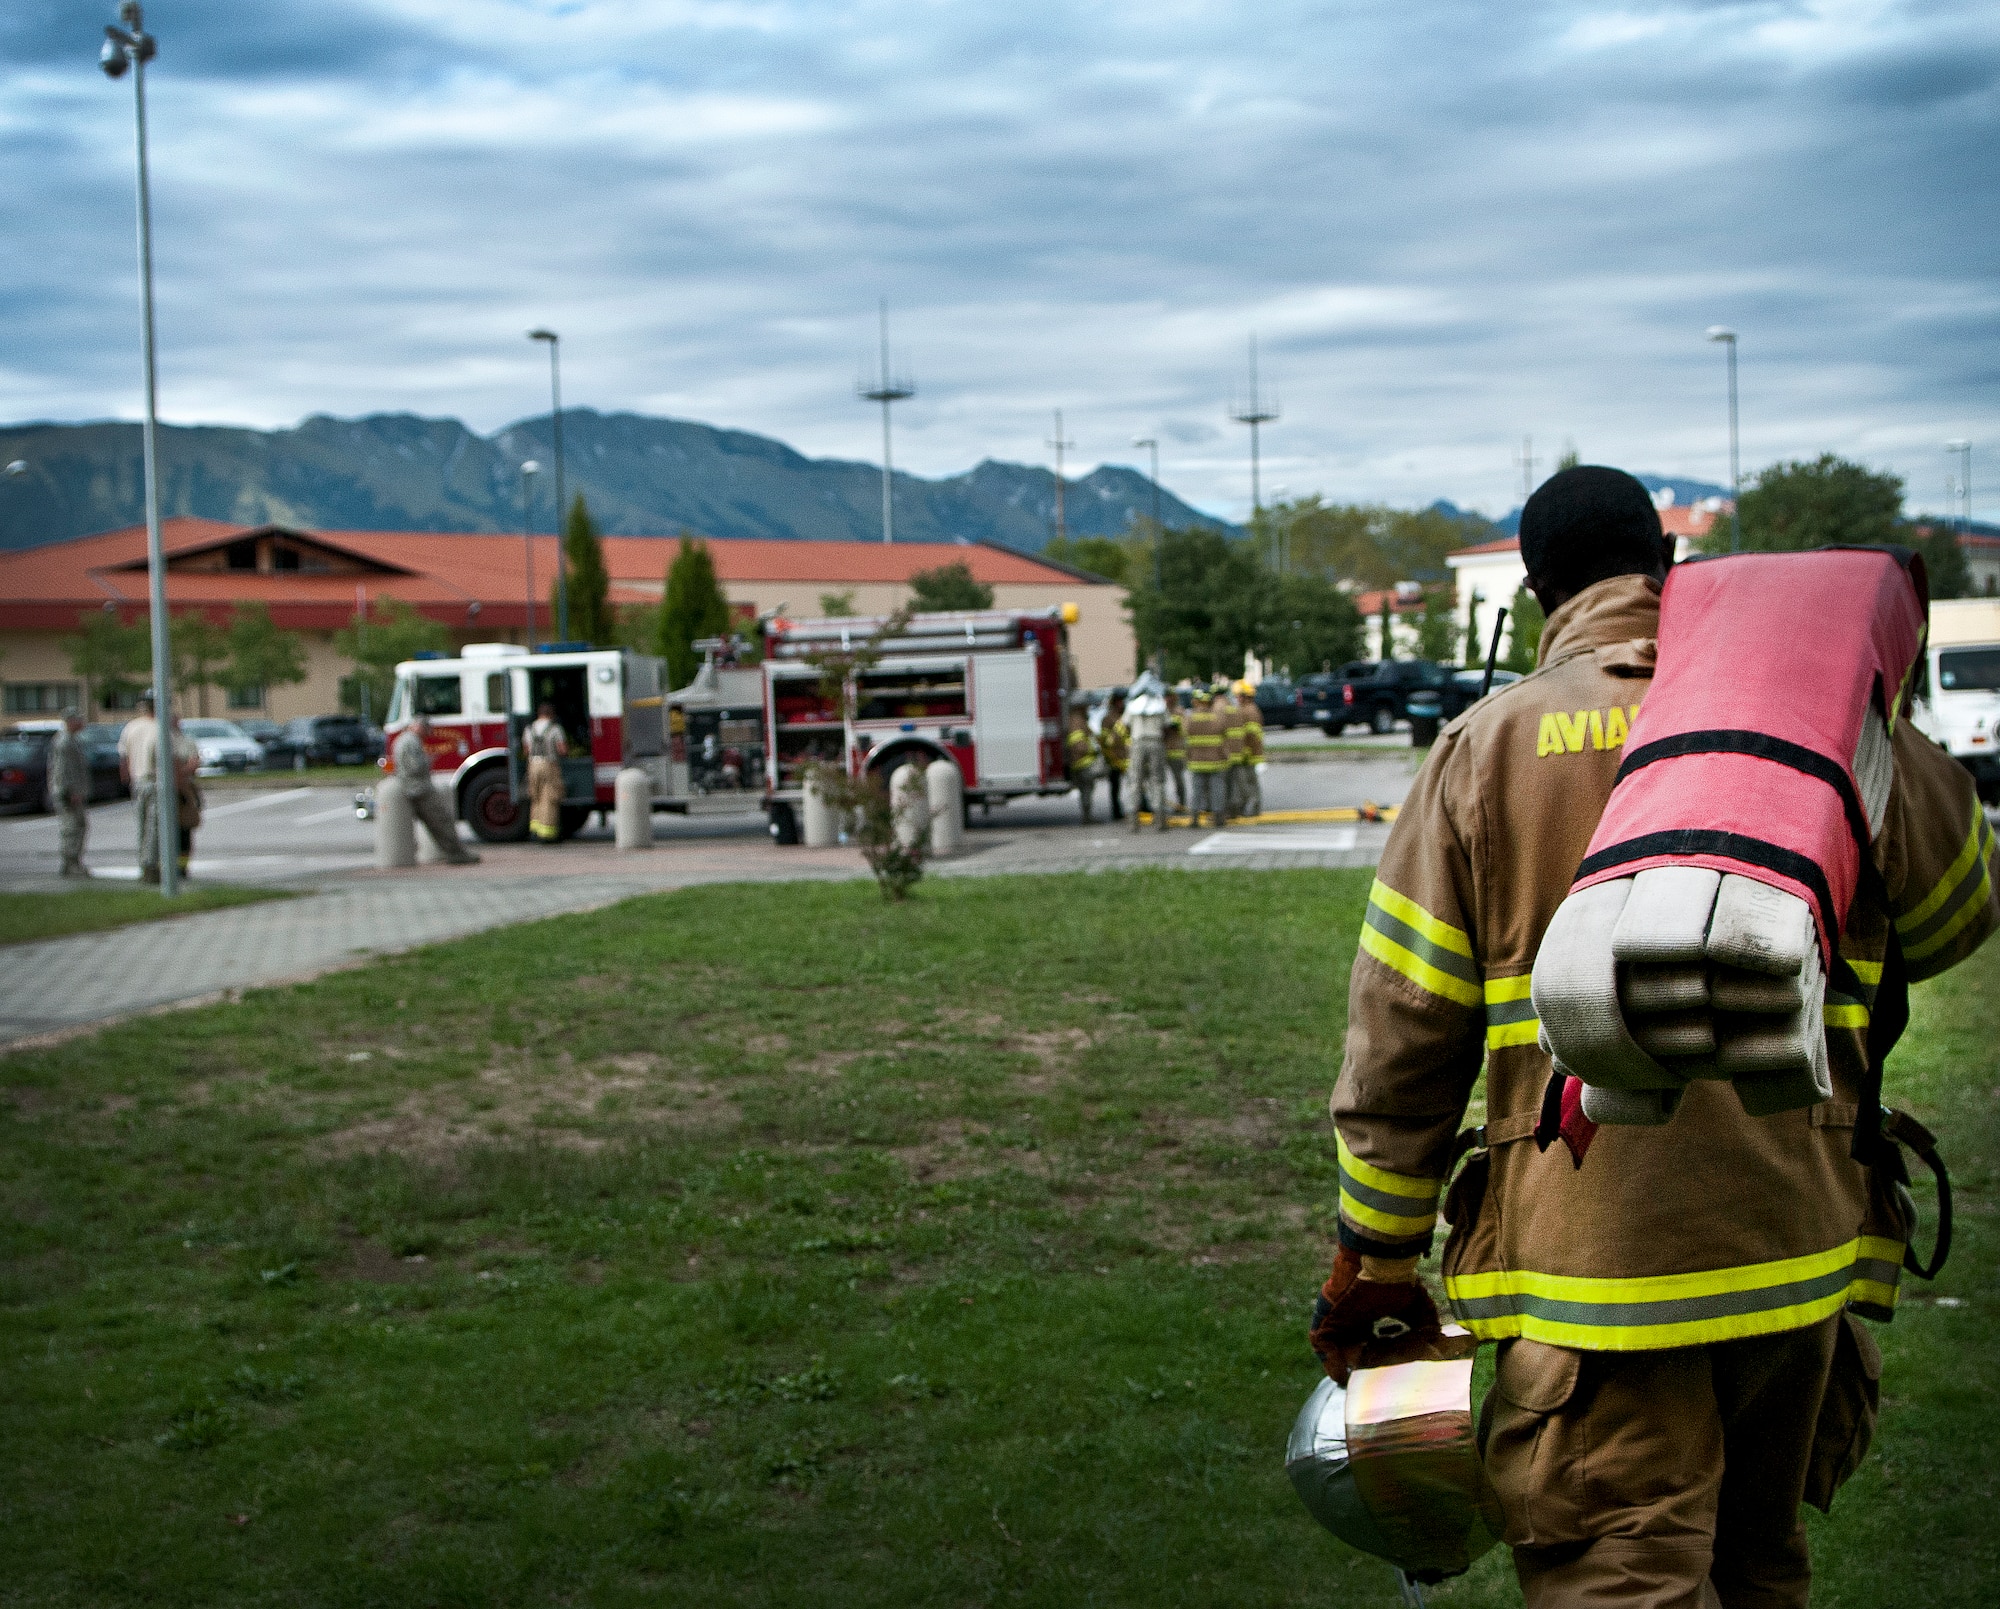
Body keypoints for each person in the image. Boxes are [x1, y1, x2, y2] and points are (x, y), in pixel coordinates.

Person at [1306, 465, 1999, 1608]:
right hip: (1794, 1256)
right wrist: (1870, 715)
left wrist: (1377, 1257)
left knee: (1618, 1579)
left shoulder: (1484, 749)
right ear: (1667, 571)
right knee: (1757, 1568)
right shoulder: (1801, 712)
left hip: (1600, 1283)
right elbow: (1954, 913)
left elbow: (1402, 1039)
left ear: (1534, 595)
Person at [394, 715, 481, 865]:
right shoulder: (411, 741)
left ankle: (453, 852)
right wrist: (428, 760)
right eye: (426, 729)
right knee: (442, 821)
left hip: (411, 787)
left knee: (436, 823)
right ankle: (456, 854)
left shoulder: (402, 740)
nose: (427, 733)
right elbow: (414, 767)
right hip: (419, 788)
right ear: (419, 727)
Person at [117, 690, 163, 884]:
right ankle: (151, 866)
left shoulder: (131, 727)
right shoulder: (160, 728)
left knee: (143, 825)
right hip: (154, 780)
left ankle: (144, 864)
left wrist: (127, 780)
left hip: (138, 781)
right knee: (155, 826)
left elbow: (123, 758)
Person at [1122, 682, 1171, 834]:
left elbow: (1125, 724)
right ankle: (1159, 819)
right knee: (1157, 780)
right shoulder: (1159, 705)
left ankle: (1133, 821)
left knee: (1135, 781)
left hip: (1137, 743)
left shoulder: (1132, 706)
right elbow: (1167, 726)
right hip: (1156, 742)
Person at [47, 708, 91, 877]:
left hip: (69, 791)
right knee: (73, 827)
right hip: (67, 792)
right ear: (71, 721)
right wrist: (72, 791)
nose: (82, 722)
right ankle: (71, 863)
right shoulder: (64, 741)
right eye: (79, 719)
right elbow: (64, 770)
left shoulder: (71, 740)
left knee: (77, 826)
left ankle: (72, 863)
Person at [523, 701, 568, 843]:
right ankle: (548, 833)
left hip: (533, 765)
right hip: (549, 764)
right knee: (549, 798)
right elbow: (562, 750)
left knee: (535, 797)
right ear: (552, 714)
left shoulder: (529, 728)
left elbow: (526, 750)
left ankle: (535, 830)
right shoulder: (555, 729)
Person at [1183, 689, 1228, 827]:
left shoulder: (1190, 719)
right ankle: (1218, 818)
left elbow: (1185, 738)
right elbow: (1224, 738)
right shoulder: (1217, 718)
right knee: (1217, 790)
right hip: (1215, 761)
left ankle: (1194, 819)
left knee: (1197, 792)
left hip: (1196, 762)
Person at [169, 715, 201, 880]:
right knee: (167, 831)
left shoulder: (186, 741)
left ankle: (182, 868)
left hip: (185, 791)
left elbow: (194, 763)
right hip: (167, 792)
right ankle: (167, 867)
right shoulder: (162, 740)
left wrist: (180, 772)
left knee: (185, 832)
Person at [1235, 680, 1265, 818]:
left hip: (1248, 753)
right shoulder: (1250, 709)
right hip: (1250, 753)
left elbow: (1252, 734)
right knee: (1249, 781)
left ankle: (1253, 808)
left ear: (1246, 696)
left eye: (1239, 696)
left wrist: (1246, 751)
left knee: (1247, 782)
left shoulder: (1249, 711)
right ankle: (1253, 807)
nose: (1237, 699)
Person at [1098, 694, 1129, 821]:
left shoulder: (1127, 716)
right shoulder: (1107, 719)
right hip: (1114, 757)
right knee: (1115, 786)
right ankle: (1116, 811)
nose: (1121, 704)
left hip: (1127, 756)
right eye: (1118, 701)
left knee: (1136, 784)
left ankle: (1143, 806)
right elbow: (1105, 739)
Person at [1065, 708, 1099, 823]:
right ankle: (1087, 817)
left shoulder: (1072, 720)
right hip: (1084, 764)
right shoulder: (1078, 722)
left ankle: (1087, 816)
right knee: (1086, 791)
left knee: (1084, 791)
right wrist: (1093, 750)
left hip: (1077, 765)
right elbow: (1080, 744)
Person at [1220, 685, 1247, 821]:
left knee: (1225, 785)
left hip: (1227, 754)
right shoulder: (1236, 710)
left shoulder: (1219, 710)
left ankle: (1227, 812)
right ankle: (1237, 810)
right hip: (1238, 753)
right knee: (1236, 785)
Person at [1163, 691, 1189, 819]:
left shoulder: (1179, 711)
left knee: (1179, 781)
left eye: (1169, 697)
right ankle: (1160, 806)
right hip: (1163, 751)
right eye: (1166, 697)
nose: (1167, 699)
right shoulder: (1161, 711)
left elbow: (1185, 729)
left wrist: (1175, 726)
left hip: (1176, 751)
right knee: (1160, 781)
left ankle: (1182, 803)